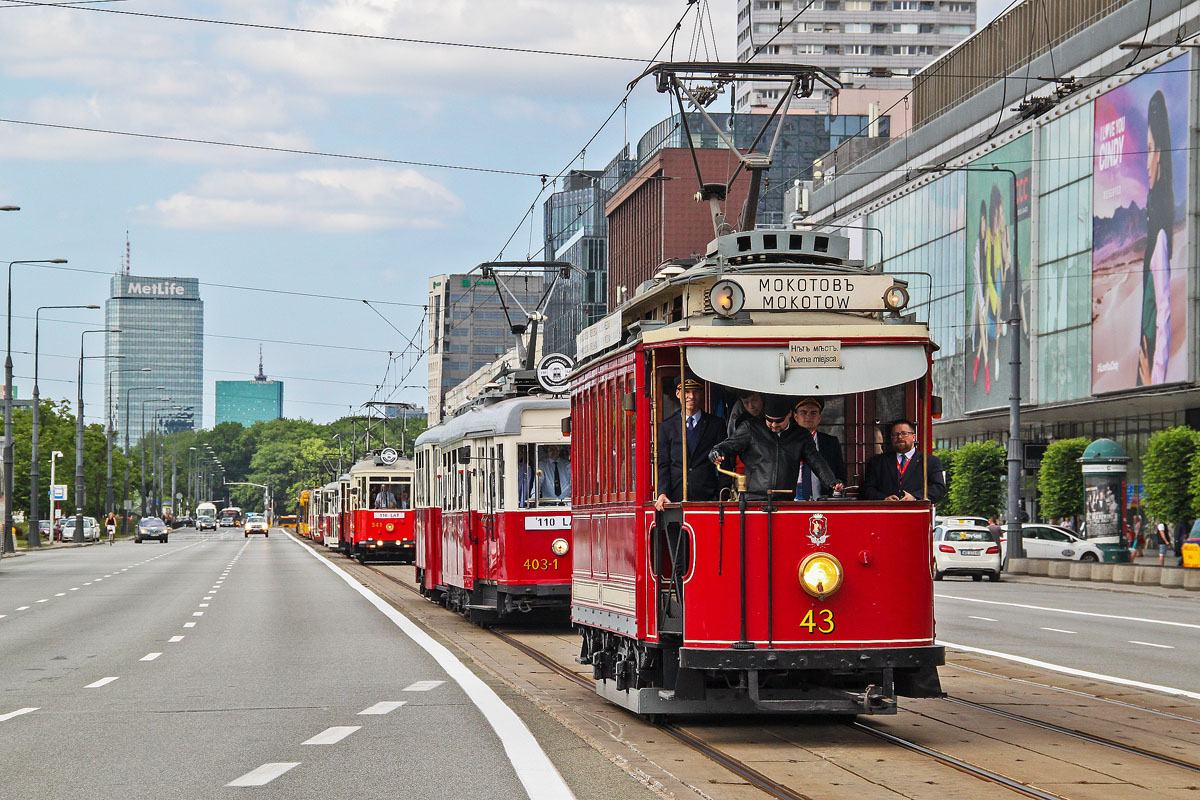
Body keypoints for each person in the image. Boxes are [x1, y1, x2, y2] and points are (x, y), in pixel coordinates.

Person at [710, 395, 842, 502]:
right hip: (754, 500)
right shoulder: (750, 428)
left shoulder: (800, 435)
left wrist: (831, 481)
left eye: (778, 421)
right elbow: (729, 444)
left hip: (785, 500)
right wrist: (717, 451)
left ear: (790, 415)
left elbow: (817, 461)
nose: (773, 425)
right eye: (769, 420)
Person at [1139, 89, 1175, 387]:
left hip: (1150, 372)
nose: (1146, 161)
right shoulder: (1155, 231)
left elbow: (1164, 314)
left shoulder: (1161, 237)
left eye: (1149, 149)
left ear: (1160, 153)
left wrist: (1155, 379)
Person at [655, 376, 724, 511]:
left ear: (702, 393)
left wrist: (723, 494)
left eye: (695, 391)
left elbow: (725, 461)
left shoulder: (716, 425)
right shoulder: (666, 427)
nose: (691, 396)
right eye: (686, 391)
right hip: (675, 497)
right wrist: (662, 492)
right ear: (678, 394)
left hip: (708, 498)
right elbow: (663, 464)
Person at [861, 419, 947, 503]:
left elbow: (939, 489)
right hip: (886, 513)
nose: (899, 437)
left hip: (916, 513)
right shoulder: (878, 461)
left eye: (904, 433)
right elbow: (867, 489)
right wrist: (884, 499)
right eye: (895, 434)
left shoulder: (930, 461)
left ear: (914, 437)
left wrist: (914, 497)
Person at [792, 396, 846, 499]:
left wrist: (838, 485)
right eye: (803, 413)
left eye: (813, 413)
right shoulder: (787, 442)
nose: (808, 416)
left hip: (822, 504)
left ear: (819, 417)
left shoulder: (831, 443)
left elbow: (840, 476)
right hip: (791, 504)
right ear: (795, 417)